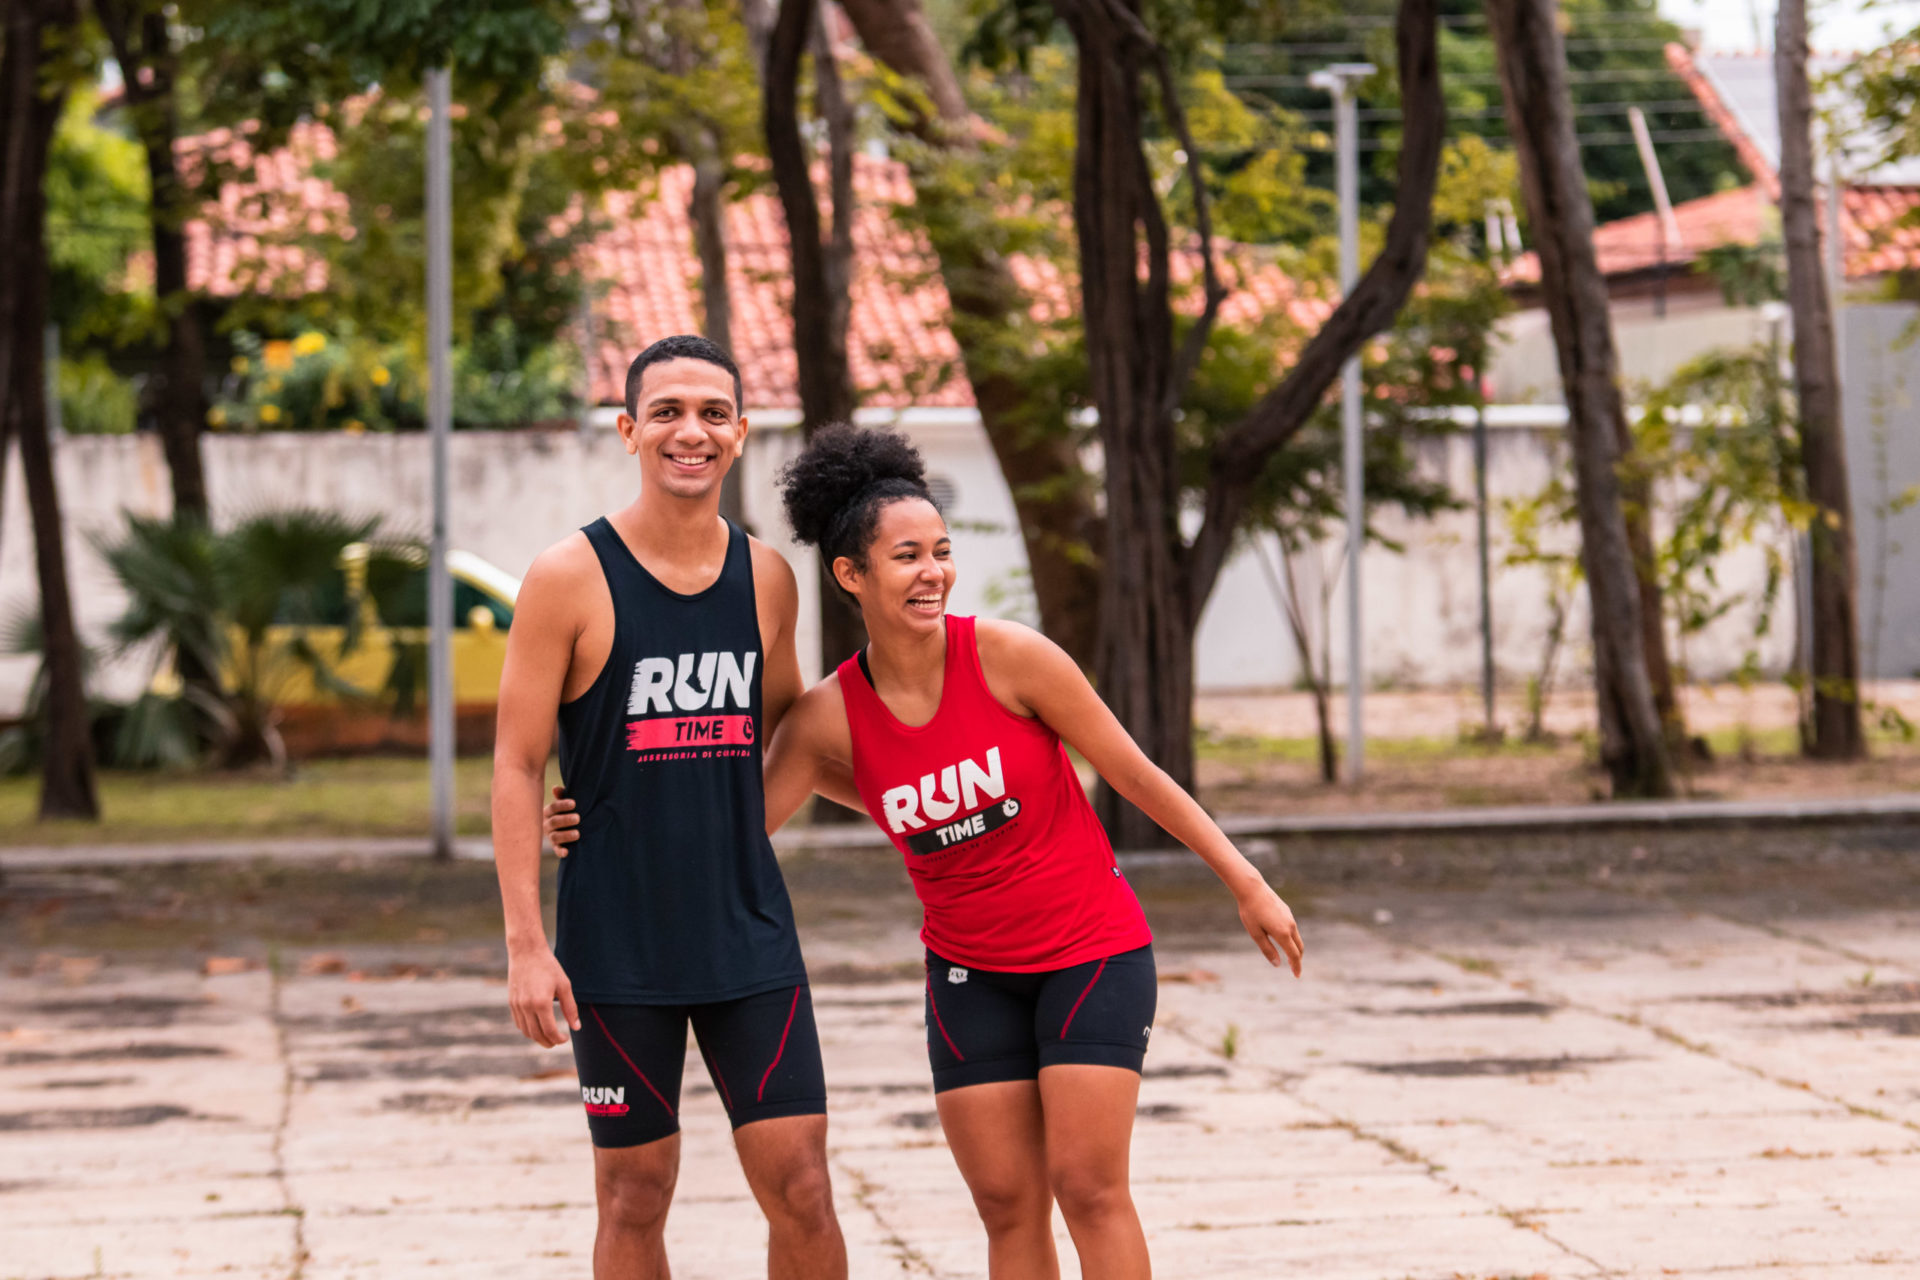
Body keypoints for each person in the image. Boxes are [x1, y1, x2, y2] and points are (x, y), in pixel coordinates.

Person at [547, 424, 1303, 1279]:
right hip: (969, 975)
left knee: (1088, 1188)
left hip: (1090, 953)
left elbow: (1134, 773)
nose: (933, 572)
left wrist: (1247, 882)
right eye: (907, 556)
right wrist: (593, 816)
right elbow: (729, 823)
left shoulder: (1012, 658)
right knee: (1007, 1205)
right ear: (851, 575)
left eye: (941, 552)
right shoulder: (830, 718)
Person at [492, 334, 846, 1280]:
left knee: (803, 1187)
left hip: (748, 935)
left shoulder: (769, 579)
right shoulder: (568, 576)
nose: (691, 431)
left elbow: (790, 739)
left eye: (713, 413)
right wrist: (528, 944)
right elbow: (518, 762)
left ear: (739, 434)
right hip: (618, 945)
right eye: (667, 412)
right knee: (635, 1194)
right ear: (628, 430)